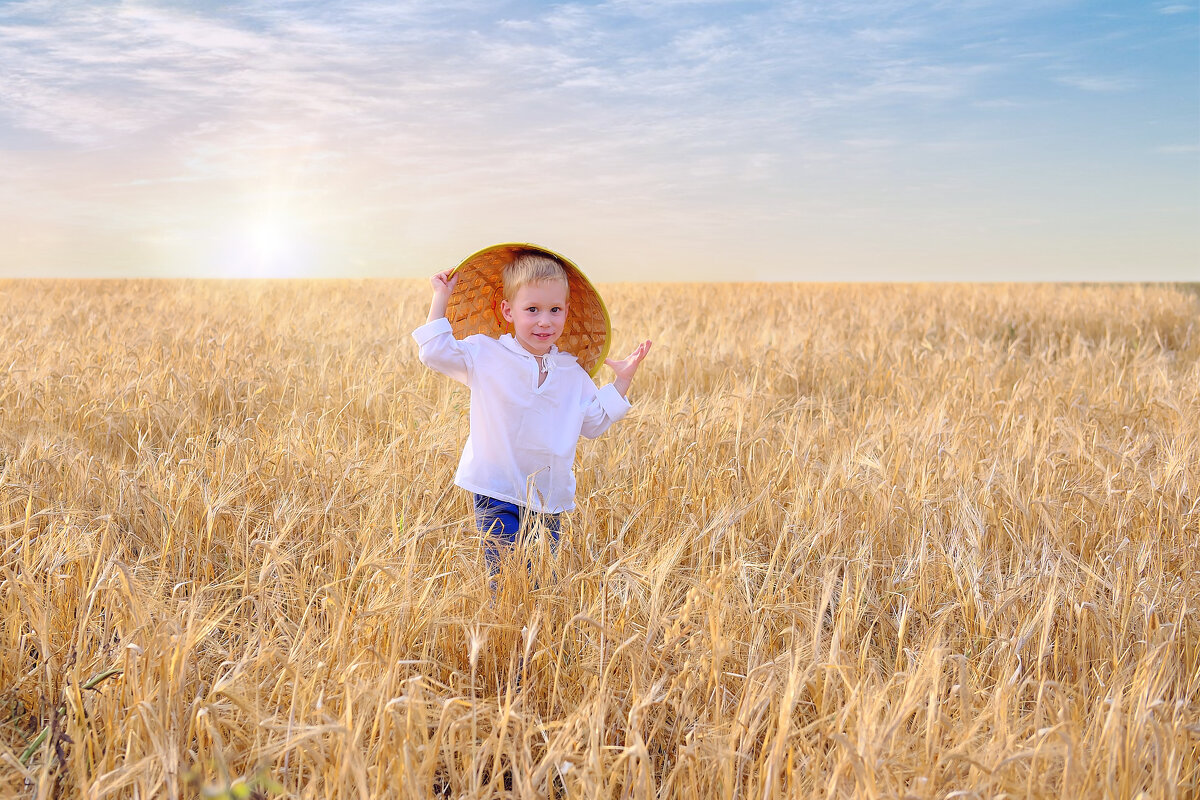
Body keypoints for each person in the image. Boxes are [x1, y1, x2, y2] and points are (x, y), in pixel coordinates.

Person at [412, 247, 651, 572]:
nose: (544, 320)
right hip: (496, 488)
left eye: (554, 309)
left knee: (539, 582)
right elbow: (434, 352)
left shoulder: (572, 372)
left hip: (547, 498)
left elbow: (593, 424)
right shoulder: (486, 353)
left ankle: (533, 625)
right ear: (508, 311)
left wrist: (622, 380)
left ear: (567, 311)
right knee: (505, 579)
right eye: (532, 309)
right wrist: (440, 296)